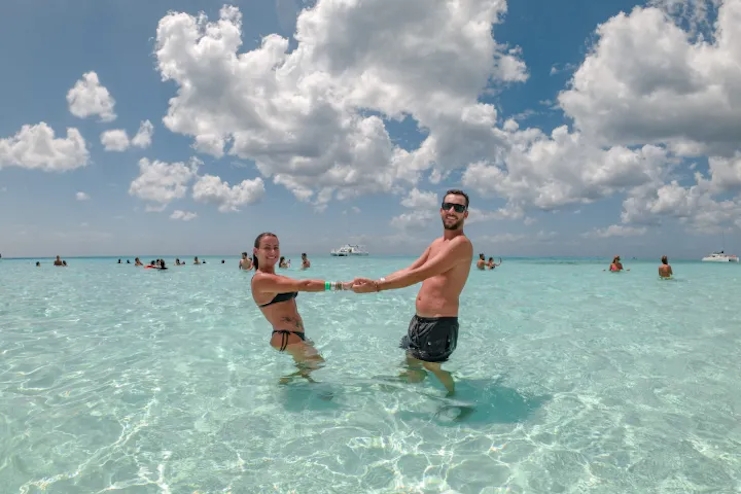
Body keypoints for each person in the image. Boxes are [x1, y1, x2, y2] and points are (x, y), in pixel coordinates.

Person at [352, 189, 474, 396]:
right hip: (419, 320)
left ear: (465, 214)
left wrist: (376, 288)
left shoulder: (461, 244)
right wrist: (376, 281)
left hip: (439, 323)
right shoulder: (437, 243)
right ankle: (409, 394)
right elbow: (409, 269)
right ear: (441, 211)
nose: (452, 210)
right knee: (411, 361)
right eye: (448, 206)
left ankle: (456, 401)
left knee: (432, 367)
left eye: (458, 207)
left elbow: (420, 274)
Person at [251, 232, 352, 383]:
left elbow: (300, 284)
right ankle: (284, 383)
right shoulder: (260, 280)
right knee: (316, 366)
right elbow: (305, 285)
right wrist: (342, 286)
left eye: (276, 247)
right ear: (256, 251)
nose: (272, 252)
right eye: (267, 248)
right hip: (287, 336)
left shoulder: (277, 277)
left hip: (293, 335)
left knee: (310, 372)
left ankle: (287, 383)